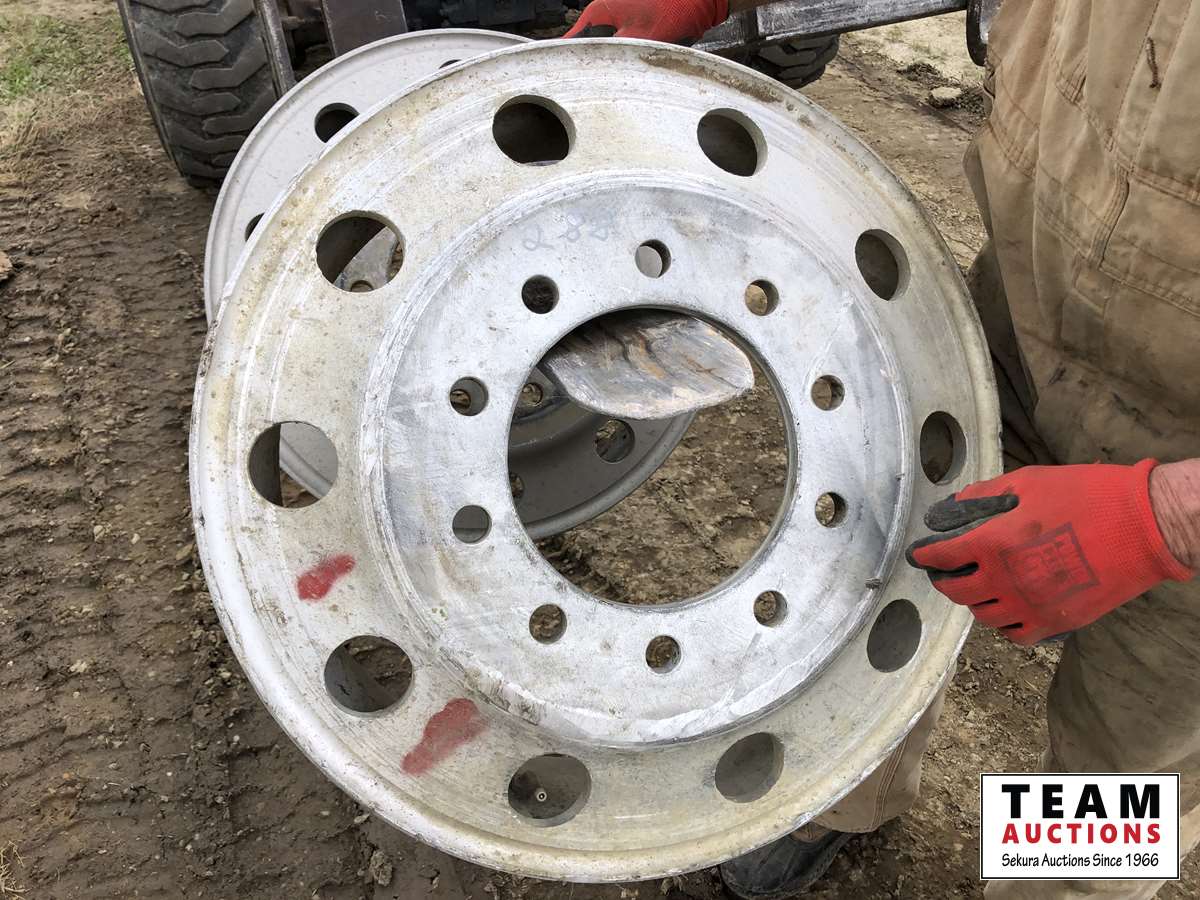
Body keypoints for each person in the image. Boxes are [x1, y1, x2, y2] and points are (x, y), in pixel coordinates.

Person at [569, 1, 1200, 897]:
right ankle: (844, 796)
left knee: (1122, 762)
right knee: (879, 565)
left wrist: (1167, 518)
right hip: (1026, 306)